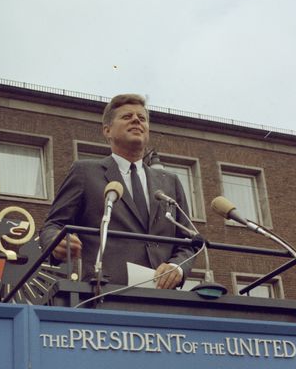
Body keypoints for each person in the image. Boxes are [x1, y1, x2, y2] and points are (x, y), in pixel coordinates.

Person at [41, 93, 192, 288]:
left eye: (142, 118)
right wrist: (56, 240)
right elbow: (53, 225)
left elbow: (188, 241)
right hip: (106, 292)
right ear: (107, 130)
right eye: (127, 116)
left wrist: (177, 267)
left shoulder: (170, 181)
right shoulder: (85, 172)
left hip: (162, 295)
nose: (136, 120)